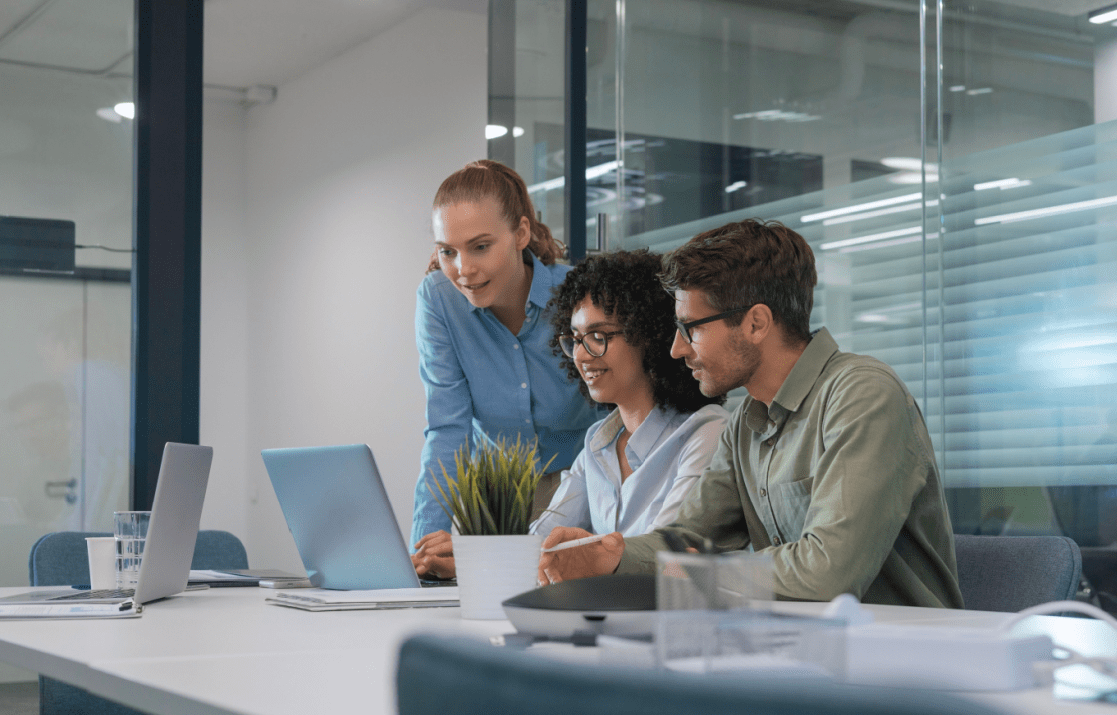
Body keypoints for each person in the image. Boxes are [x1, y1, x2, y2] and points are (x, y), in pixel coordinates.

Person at [537, 219, 964, 607]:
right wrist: (613, 553)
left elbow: (828, 572)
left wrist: (698, 572)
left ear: (756, 323)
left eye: (691, 328)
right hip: (806, 647)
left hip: (904, 654)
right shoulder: (746, 422)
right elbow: (687, 539)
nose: (676, 349)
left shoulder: (862, 396)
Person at [413, 250, 730, 578]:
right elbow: (541, 541)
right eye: (576, 339)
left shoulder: (705, 433)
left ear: (650, 335)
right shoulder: (598, 443)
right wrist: (469, 556)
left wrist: (588, 555)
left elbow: (666, 553)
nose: (581, 355)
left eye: (598, 337)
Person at [411, 160, 600, 574]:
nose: (463, 269)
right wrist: (422, 557)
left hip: (583, 485)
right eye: (448, 251)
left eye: (480, 246)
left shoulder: (578, 295)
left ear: (521, 233)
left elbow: (618, 415)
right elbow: (447, 429)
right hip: (495, 497)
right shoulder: (439, 300)